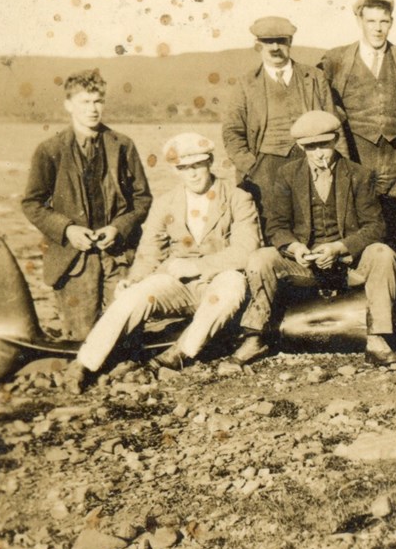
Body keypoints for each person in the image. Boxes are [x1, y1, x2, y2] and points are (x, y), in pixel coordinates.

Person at [64, 133, 261, 392]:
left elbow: (247, 251)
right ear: (176, 170)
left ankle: (178, 354)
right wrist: (133, 280)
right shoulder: (166, 202)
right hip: (178, 286)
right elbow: (149, 252)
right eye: (183, 168)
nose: (192, 174)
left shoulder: (237, 197)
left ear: (210, 162)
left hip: (217, 279)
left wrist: (197, 267)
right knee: (135, 294)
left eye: (197, 165)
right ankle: (85, 364)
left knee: (233, 283)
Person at [236, 110, 396, 364]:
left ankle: (378, 337)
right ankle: (254, 337)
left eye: (324, 144)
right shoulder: (287, 175)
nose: (319, 153)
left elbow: (375, 227)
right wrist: (295, 248)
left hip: (349, 265)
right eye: (311, 147)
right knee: (261, 258)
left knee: (382, 253)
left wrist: (339, 247)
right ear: (301, 147)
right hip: (305, 267)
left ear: (335, 140)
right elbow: (276, 226)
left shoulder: (359, 175)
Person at [21, 68, 152, 341]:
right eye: (85, 102)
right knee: (82, 340)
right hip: (73, 262)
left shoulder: (123, 146)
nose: (93, 109)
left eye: (98, 101)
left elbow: (142, 199)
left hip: (119, 256)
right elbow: (32, 203)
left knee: (127, 334)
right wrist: (67, 229)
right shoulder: (50, 150)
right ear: (68, 105)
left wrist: (118, 228)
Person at [222, 16, 347, 227]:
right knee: (271, 224)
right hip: (265, 165)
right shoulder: (246, 84)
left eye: (281, 40)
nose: (275, 47)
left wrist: (340, 166)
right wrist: (251, 167)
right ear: (257, 46)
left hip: (310, 158)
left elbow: (334, 125)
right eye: (268, 42)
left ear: (290, 43)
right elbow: (232, 133)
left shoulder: (314, 77)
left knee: (316, 219)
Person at [318, 0, 396, 250]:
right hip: (356, 158)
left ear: (391, 23)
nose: (377, 28)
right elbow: (316, 98)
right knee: (358, 228)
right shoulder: (336, 60)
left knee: (394, 232)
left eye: (383, 22)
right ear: (359, 21)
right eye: (371, 21)